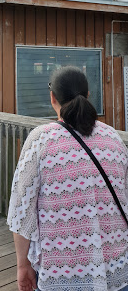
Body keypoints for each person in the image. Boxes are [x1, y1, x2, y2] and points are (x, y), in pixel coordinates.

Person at [7, 66, 128, 291]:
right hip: (116, 269)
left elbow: (21, 212)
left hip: (60, 272)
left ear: (52, 97)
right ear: (88, 96)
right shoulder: (114, 138)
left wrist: (23, 265)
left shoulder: (40, 140)